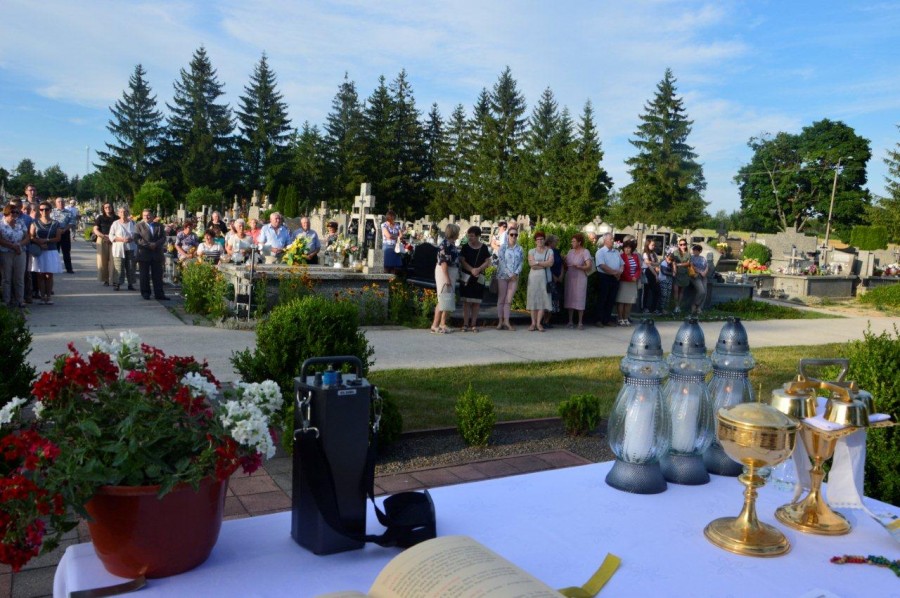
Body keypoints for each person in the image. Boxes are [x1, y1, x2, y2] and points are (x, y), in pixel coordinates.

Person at [459, 225, 491, 332]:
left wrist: (479, 269)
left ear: (478, 236)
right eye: (469, 236)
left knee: (476, 302)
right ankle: (465, 324)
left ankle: (473, 324)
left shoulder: (484, 247)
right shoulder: (465, 247)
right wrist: (471, 269)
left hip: (479, 277)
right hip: (467, 277)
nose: (470, 238)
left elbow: (488, 261)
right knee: (466, 302)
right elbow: (462, 261)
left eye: (472, 236)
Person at [30, 201, 62, 305]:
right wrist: (39, 243)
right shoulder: (34, 223)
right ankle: (42, 296)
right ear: (39, 211)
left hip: (51, 250)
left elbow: (58, 238)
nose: (44, 211)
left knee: (49, 275)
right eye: (42, 209)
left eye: (46, 209)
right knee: (40, 274)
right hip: (39, 251)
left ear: (50, 210)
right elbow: (31, 236)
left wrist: (46, 241)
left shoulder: (56, 223)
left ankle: (49, 296)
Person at [430, 223, 460, 334]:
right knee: (442, 298)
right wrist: (447, 278)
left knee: (448, 298)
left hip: (451, 272)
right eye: (457, 232)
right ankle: (434, 325)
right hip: (444, 273)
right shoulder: (445, 245)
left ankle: (443, 324)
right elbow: (443, 263)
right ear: (454, 233)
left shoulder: (451, 244)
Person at [134, 208, 169, 301]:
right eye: (144, 215)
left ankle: (159, 294)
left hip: (157, 253)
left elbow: (163, 238)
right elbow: (137, 239)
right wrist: (149, 245)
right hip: (144, 253)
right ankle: (146, 293)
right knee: (144, 275)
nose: (147, 217)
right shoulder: (138, 225)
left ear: (153, 216)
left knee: (158, 275)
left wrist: (155, 244)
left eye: (148, 215)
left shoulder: (159, 225)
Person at [495, 225, 524, 331]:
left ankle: (506, 321)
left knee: (508, 300)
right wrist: (510, 274)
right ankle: (500, 321)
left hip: (514, 277)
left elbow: (521, 262)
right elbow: (502, 262)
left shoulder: (520, 249)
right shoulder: (503, 247)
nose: (514, 236)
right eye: (511, 234)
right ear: (507, 235)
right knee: (501, 299)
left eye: (516, 235)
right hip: (503, 276)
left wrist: (515, 273)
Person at [0, 204, 28, 308]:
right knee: (6, 278)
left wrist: (19, 245)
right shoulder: (1, 224)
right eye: (13, 212)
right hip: (6, 252)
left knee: (19, 278)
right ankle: (6, 300)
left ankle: (19, 300)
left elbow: (27, 237)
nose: (15, 214)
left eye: (17, 212)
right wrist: (12, 246)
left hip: (20, 252)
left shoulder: (21, 222)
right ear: (7, 212)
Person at [525, 231, 553, 332]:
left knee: (542, 300)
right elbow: (532, 265)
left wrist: (537, 262)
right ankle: (533, 323)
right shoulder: (531, 251)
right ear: (535, 241)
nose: (540, 241)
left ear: (544, 240)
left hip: (545, 278)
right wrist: (543, 264)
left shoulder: (549, 251)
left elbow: (550, 263)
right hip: (533, 278)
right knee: (533, 299)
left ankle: (538, 323)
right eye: (538, 239)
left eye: (541, 239)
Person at [594, 233, 623, 327]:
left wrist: (619, 272)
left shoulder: (616, 252)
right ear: (605, 240)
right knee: (602, 299)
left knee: (611, 299)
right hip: (604, 277)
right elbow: (602, 265)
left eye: (612, 239)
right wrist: (615, 273)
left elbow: (622, 264)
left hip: (615, 278)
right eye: (610, 239)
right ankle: (598, 320)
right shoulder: (600, 252)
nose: (612, 241)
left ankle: (607, 320)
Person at [564, 233, 592, 330]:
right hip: (570, 277)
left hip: (580, 277)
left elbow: (589, 266)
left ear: (579, 242)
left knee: (580, 298)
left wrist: (580, 267)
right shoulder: (570, 251)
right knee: (570, 298)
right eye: (572, 241)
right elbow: (566, 263)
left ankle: (580, 322)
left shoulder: (585, 252)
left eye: (574, 241)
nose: (572, 243)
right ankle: (570, 321)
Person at [109, 207, 137, 291]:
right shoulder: (115, 223)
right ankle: (117, 284)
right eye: (121, 212)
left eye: (125, 212)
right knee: (118, 267)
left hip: (130, 248)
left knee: (131, 266)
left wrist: (131, 238)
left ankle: (130, 284)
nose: (123, 213)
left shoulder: (132, 223)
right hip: (119, 248)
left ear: (128, 213)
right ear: (118, 214)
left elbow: (136, 233)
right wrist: (121, 239)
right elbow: (111, 235)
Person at [615, 238, 641, 326]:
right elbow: (623, 270)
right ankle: (620, 318)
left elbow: (638, 269)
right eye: (625, 247)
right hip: (624, 281)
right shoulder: (621, 256)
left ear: (632, 249)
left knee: (629, 302)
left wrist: (635, 276)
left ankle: (626, 318)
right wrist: (630, 278)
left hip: (633, 282)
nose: (627, 249)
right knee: (621, 301)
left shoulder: (635, 256)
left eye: (629, 248)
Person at [93, 202, 117, 286]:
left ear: (112, 207)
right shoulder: (100, 218)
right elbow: (95, 229)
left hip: (114, 240)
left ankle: (114, 279)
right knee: (102, 260)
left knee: (114, 260)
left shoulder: (117, 218)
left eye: (109, 207)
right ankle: (105, 279)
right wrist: (104, 236)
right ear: (103, 209)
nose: (108, 208)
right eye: (105, 207)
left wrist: (112, 237)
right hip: (102, 239)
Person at [542, 234, 563, 329]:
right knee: (548, 299)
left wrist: (561, 275)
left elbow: (561, 264)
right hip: (549, 278)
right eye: (555, 241)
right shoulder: (546, 251)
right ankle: (543, 320)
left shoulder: (557, 251)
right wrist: (554, 276)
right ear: (550, 242)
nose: (556, 243)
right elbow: (548, 266)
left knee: (554, 300)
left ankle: (547, 321)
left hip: (558, 278)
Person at [51, 197, 75, 273]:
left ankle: (69, 269)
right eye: (59, 202)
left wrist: (64, 229)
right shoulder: (52, 212)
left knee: (66, 251)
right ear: (56, 203)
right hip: (54, 234)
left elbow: (71, 222)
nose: (61, 203)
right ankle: (54, 268)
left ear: (64, 203)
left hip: (65, 233)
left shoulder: (69, 212)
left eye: (62, 202)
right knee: (55, 251)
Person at [672, 238, 692, 314]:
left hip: (685, 274)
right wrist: (675, 269)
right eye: (681, 244)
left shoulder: (688, 254)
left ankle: (678, 306)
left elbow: (688, 263)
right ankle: (676, 306)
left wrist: (679, 264)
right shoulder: (675, 252)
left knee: (682, 291)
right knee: (676, 291)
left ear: (686, 245)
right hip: (677, 273)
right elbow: (673, 262)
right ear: (679, 245)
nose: (682, 246)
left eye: (684, 244)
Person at [641, 238, 661, 314]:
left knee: (656, 291)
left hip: (654, 272)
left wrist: (655, 265)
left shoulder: (654, 254)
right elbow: (648, 264)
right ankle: (644, 307)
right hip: (647, 272)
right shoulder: (645, 254)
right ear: (648, 245)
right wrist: (655, 273)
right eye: (652, 245)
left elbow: (657, 263)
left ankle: (653, 308)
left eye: (654, 245)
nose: (653, 246)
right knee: (646, 291)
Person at [689, 244, 709, 315]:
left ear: (700, 251)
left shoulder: (703, 258)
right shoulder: (691, 258)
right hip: (695, 276)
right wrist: (700, 272)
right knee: (701, 291)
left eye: (696, 250)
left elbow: (707, 266)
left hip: (703, 276)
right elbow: (692, 266)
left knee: (705, 292)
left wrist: (704, 273)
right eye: (694, 250)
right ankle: (695, 304)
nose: (694, 251)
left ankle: (699, 308)